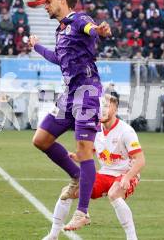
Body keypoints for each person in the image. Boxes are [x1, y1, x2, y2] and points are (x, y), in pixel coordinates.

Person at [29, 0, 112, 231]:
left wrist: (99, 29)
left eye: (49, 1)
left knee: (84, 150)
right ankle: (76, 176)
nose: (45, 6)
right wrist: (36, 46)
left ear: (63, 1)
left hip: (87, 92)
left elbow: (91, 29)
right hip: (69, 95)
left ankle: (82, 212)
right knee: (41, 139)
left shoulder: (78, 20)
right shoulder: (61, 29)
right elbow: (59, 58)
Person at [43, 94, 145, 240]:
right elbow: (88, 155)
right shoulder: (94, 130)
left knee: (114, 194)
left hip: (126, 173)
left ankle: (132, 237)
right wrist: (76, 157)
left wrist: (128, 177)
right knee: (68, 191)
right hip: (104, 173)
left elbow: (140, 160)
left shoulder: (126, 131)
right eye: (99, 106)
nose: (101, 110)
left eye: (106, 106)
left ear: (115, 109)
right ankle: (53, 235)